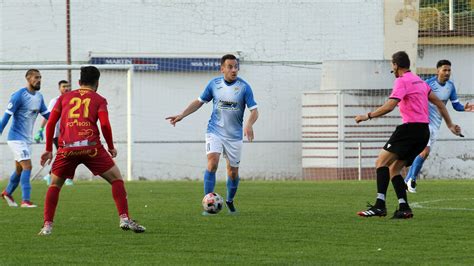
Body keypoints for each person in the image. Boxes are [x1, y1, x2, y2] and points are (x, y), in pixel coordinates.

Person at [38, 66, 145, 235]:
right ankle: (124, 218)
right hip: (91, 148)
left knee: (54, 185)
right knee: (117, 179)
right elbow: (104, 124)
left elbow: (51, 123)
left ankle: (47, 226)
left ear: (79, 82)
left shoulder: (63, 98)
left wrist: (48, 150)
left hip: (67, 148)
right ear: (97, 83)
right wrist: (110, 146)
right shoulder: (99, 99)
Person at [355, 51, 462, 219]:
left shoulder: (401, 81)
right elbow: (440, 104)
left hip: (409, 129)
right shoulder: (420, 81)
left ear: (396, 65)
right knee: (394, 169)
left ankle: (379, 205)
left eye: (393, 66)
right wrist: (450, 125)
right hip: (423, 132)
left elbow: (390, 106)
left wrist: (366, 116)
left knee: (380, 162)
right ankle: (404, 208)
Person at [166, 54, 259, 215]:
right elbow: (199, 102)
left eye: (236, 66)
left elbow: (255, 111)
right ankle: (208, 203)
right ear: (222, 68)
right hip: (214, 131)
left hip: (234, 136)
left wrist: (249, 124)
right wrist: (182, 115)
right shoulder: (214, 84)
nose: (234, 70)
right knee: (212, 163)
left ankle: (229, 201)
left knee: (233, 172)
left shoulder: (244, 87)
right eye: (230, 66)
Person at [404, 60, 474, 193]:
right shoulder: (428, 84)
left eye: (449, 70)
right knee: (425, 151)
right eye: (444, 70)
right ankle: (411, 180)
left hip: (436, 125)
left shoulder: (450, 86)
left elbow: (456, 106)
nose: (447, 72)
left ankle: (406, 181)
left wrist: (465, 108)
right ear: (438, 71)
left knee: (423, 153)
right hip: (423, 121)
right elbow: (417, 100)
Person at [0, 69, 50, 208]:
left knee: (19, 169)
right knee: (27, 166)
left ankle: (7, 192)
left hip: (27, 140)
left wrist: (63, 122)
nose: (39, 80)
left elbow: (48, 115)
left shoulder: (39, 97)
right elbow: (6, 116)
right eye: (36, 77)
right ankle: (25, 201)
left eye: (40, 77)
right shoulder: (18, 96)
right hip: (16, 139)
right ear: (28, 79)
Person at [34, 80, 74, 186]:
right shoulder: (55, 101)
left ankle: (57, 175)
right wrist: (41, 130)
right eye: (64, 86)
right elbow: (48, 117)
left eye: (68, 86)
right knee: (65, 155)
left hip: (68, 133)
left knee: (66, 155)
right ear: (59, 88)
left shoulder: (72, 101)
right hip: (57, 133)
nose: (66, 88)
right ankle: (54, 175)